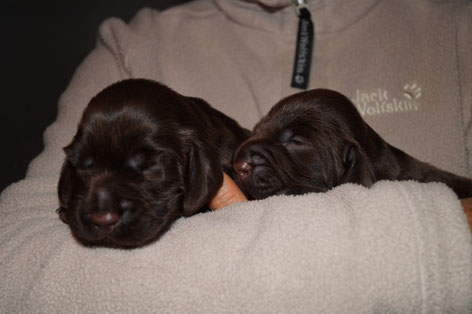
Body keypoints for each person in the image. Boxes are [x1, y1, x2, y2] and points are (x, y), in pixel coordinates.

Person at [1, 0, 471, 312]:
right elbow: (16, 266)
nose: (100, 211)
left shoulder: (457, 26)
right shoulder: (130, 46)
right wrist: (440, 235)